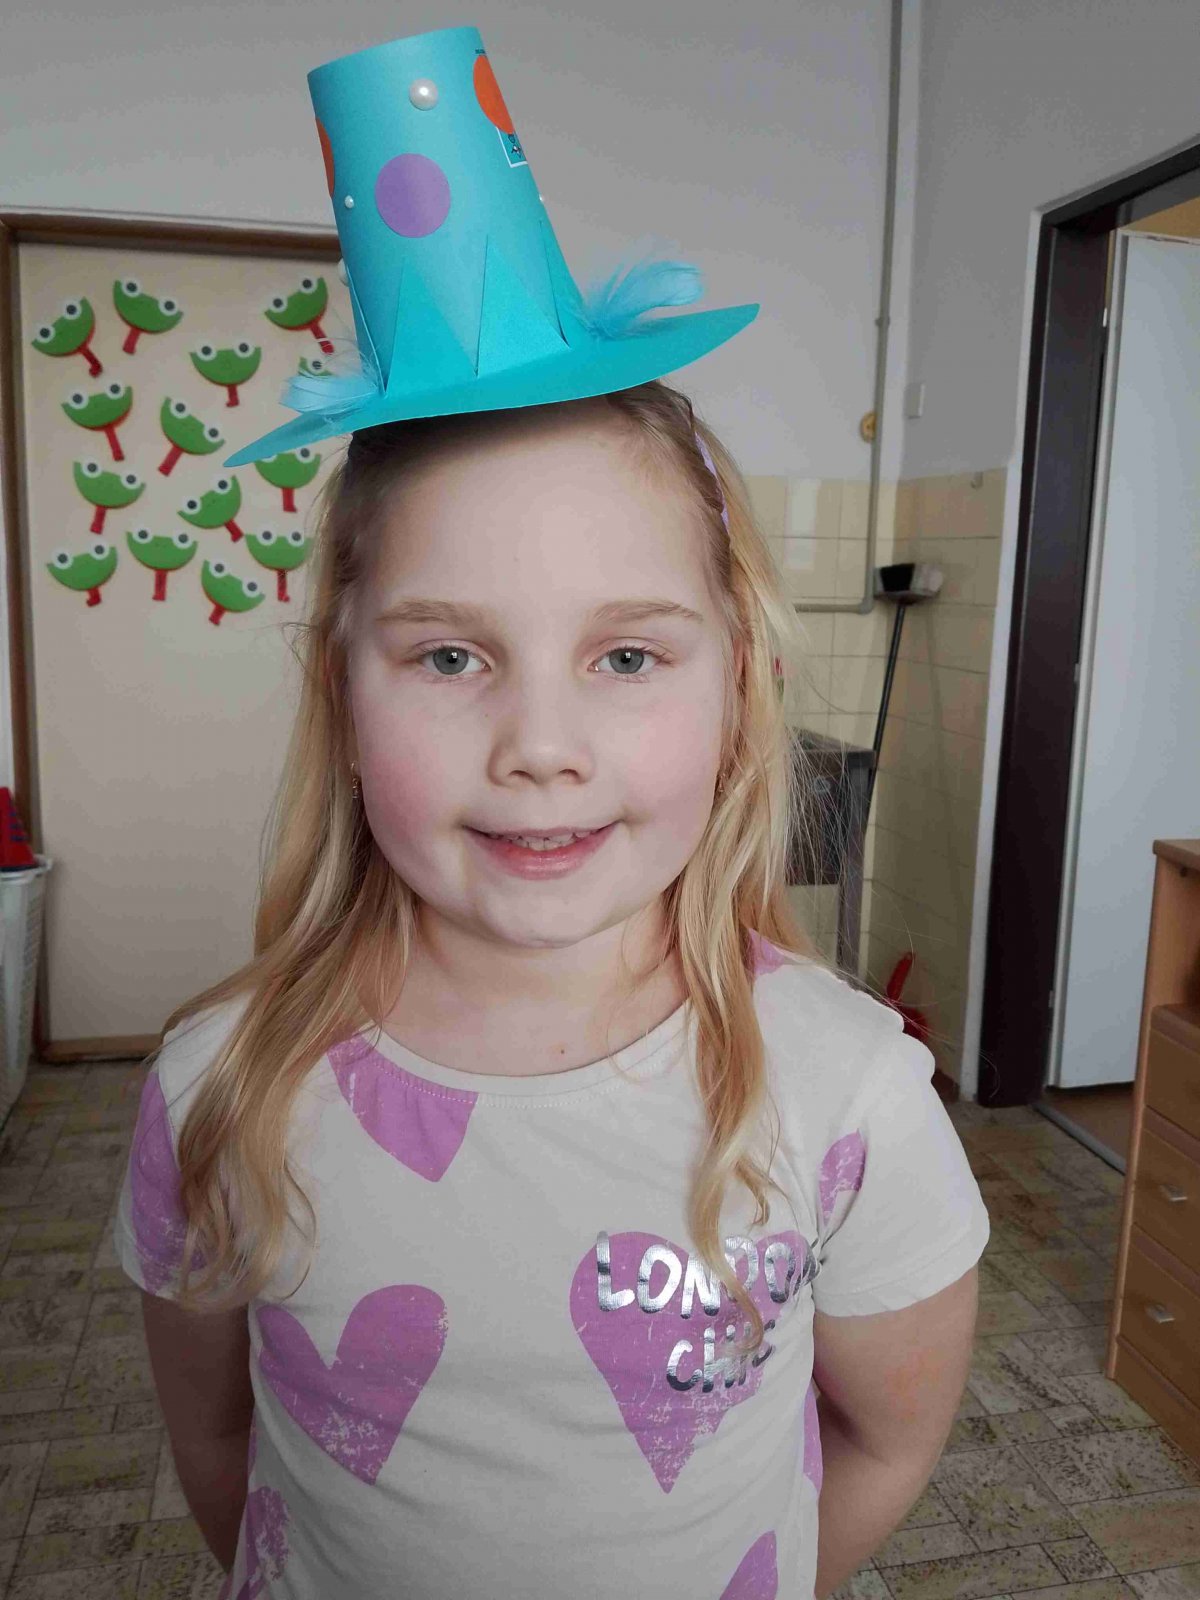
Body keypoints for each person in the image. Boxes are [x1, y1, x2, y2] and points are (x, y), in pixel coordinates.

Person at [112, 25, 990, 1600]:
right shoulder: (220, 1095)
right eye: (449, 656)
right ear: (342, 693)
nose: (540, 748)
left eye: (626, 656)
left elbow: (886, 1439)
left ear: (737, 690)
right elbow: (219, 1447)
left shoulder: (850, 1098)